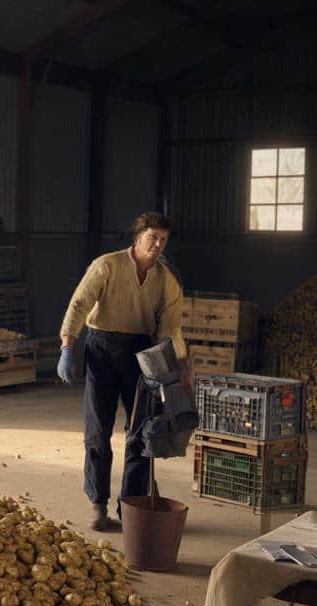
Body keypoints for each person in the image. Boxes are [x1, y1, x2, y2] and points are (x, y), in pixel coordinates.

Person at [57, 211, 186, 532]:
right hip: (101, 349)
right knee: (98, 431)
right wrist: (67, 347)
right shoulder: (108, 265)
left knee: (141, 433)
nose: (158, 244)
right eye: (152, 237)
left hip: (140, 354)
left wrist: (177, 366)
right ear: (138, 236)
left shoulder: (166, 279)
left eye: (163, 240)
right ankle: (98, 503)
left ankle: (130, 506)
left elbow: (170, 327)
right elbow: (79, 304)